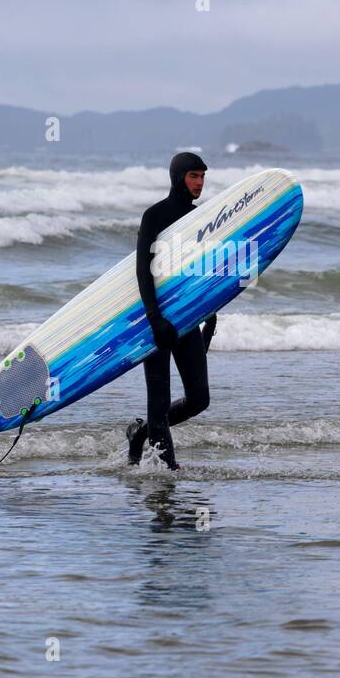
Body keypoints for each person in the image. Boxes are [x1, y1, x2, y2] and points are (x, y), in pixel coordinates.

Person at [126, 152, 217, 470]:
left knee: (199, 398)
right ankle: (168, 471)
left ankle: (140, 435)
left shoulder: (199, 219)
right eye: (194, 176)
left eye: (203, 177)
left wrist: (208, 309)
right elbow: (143, 270)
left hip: (185, 317)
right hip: (155, 321)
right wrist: (154, 318)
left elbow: (197, 270)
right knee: (159, 403)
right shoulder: (155, 216)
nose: (200, 183)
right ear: (179, 177)